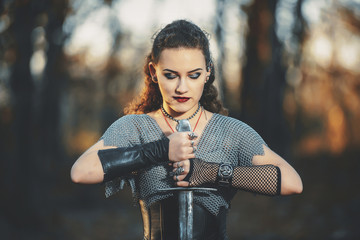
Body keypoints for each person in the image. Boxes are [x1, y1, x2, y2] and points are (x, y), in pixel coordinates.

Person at [70, 19, 303, 240]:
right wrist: (159, 150)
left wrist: (213, 172)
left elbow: (292, 182)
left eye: (194, 75)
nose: (182, 88)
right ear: (153, 72)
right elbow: (81, 172)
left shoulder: (231, 132)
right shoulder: (135, 127)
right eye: (170, 76)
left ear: (208, 72)